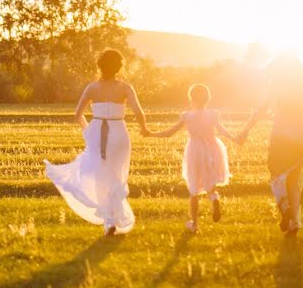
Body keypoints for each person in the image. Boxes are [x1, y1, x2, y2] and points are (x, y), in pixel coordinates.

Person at [45, 49, 148, 236]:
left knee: (100, 174)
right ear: (119, 67)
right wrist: (144, 129)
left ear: (100, 66)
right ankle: (113, 216)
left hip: (96, 131)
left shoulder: (92, 88)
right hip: (118, 133)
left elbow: (78, 115)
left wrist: (89, 131)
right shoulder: (125, 88)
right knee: (116, 175)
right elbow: (139, 113)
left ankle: (109, 220)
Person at [237, 53, 303, 235]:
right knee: (293, 182)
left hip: (281, 138)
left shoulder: (276, 85)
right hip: (302, 138)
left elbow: (261, 110)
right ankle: (295, 223)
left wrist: (246, 129)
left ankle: (285, 209)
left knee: (276, 177)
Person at [144, 84, 235, 233]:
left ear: (191, 99)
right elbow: (222, 130)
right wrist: (235, 138)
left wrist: (151, 133)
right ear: (208, 99)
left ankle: (194, 224)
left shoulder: (187, 116)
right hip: (212, 149)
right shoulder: (212, 115)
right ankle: (214, 197)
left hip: (195, 150)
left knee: (194, 190)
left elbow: (169, 133)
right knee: (210, 180)